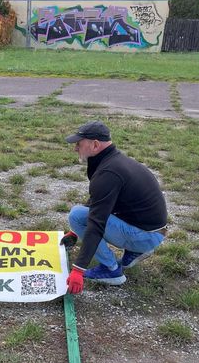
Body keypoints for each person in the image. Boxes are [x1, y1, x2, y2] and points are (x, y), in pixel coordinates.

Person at [60, 120, 167, 293]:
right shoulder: (116, 161)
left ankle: (111, 270)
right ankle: (135, 250)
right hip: (152, 231)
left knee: (76, 216)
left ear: (95, 144)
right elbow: (100, 201)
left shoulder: (108, 173)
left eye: (79, 144)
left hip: (145, 235)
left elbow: (96, 223)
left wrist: (78, 269)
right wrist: (75, 232)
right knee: (81, 216)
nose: (75, 148)